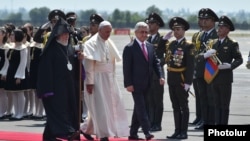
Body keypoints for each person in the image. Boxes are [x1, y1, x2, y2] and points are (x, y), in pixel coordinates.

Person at [81, 21, 129, 141]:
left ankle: (86, 129)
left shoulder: (108, 41)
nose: (109, 34)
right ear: (100, 30)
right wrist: (90, 83)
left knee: (107, 107)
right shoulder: (91, 43)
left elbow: (112, 61)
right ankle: (104, 135)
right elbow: (89, 65)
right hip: (97, 80)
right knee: (101, 108)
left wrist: (113, 78)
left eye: (110, 31)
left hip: (109, 79)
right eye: (107, 31)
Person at [36, 18, 80, 141]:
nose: (66, 36)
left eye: (67, 34)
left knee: (64, 111)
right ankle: (68, 132)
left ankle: (49, 136)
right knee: (59, 112)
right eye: (63, 34)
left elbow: (73, 66)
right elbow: (45, 72)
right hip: (54, 89)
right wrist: (47, 90)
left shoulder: (69, 48)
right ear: (57, 35)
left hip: (68, 87)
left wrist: (79, 59)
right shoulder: (50, 50)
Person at [123, 21, 165, 140]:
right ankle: (147, 132)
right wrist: (128, 84)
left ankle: (133, 133)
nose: (144, 34)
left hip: (148, 83)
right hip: (135, 85)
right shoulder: (129, 48)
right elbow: (126, 68)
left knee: (139, 108)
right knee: (142, 108)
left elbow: (156, 63)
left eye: (146, 32)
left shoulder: (150, 46)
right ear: (136, 33)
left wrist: (160, 76)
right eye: (142, 32)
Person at [208, 16, 243, 125]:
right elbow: (210, 60)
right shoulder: (213, 43)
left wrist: (230, 66)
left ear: (228, 30)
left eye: (222, 27)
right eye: (219, 27)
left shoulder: (232, 43)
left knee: (224, 105)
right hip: (214, 77)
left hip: (225, 78)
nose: (219, 29)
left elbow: (239, 59)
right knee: (216, 104)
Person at [165, 17, 195, 139]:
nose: (176, 32)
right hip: (171, 78)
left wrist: (188, 82)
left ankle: (184, 131)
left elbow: (191, 65)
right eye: (174, 29)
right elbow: (166, 58)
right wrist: (163, 40)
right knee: (175, 106)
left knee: (183, 106)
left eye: (178, 29)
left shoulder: (188, 45)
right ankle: (177, 130)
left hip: (181, 79)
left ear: (184, 30)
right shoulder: (171, 44)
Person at [144, 12, 172, 132]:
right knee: (149, 100)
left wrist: (157, 63)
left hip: (157, 74)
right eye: (148, 23)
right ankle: (149, 121)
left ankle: (157, 123)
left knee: (157, 100)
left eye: (151, 23)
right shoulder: (146, 39)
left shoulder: (163, 40)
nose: (149, 25)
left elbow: (168, 56)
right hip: (147, 75)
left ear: (157, 25)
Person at [194, 8, 219, 130]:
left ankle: (211, 121)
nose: (203, 21)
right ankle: (204, 120)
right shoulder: (200, 35)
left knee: (211, 98)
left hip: (211, 71)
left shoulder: (216, 35)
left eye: (206, 19)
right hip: (200, 70)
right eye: (202, 19)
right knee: (202, 97)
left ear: (213, 21)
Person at [189, 8, 205, 126]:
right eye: (200, 19)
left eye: (203, 19)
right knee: (198, 95)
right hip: (196, 69)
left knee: (205, 96)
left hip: (205, 70)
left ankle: (205, 118)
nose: (200, 21)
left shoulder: (213, 34)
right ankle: (199, 116)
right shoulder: (196, 35)